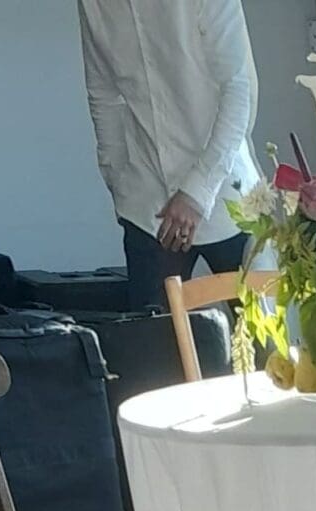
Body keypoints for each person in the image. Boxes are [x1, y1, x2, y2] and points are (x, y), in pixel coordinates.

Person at [78, 0, 260, 308]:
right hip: (147, 205)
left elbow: (238, 88)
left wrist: (197, 191)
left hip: (227, 195)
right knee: (153, 335)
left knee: (264, 333)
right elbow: (103, 93)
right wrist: (119, 181)